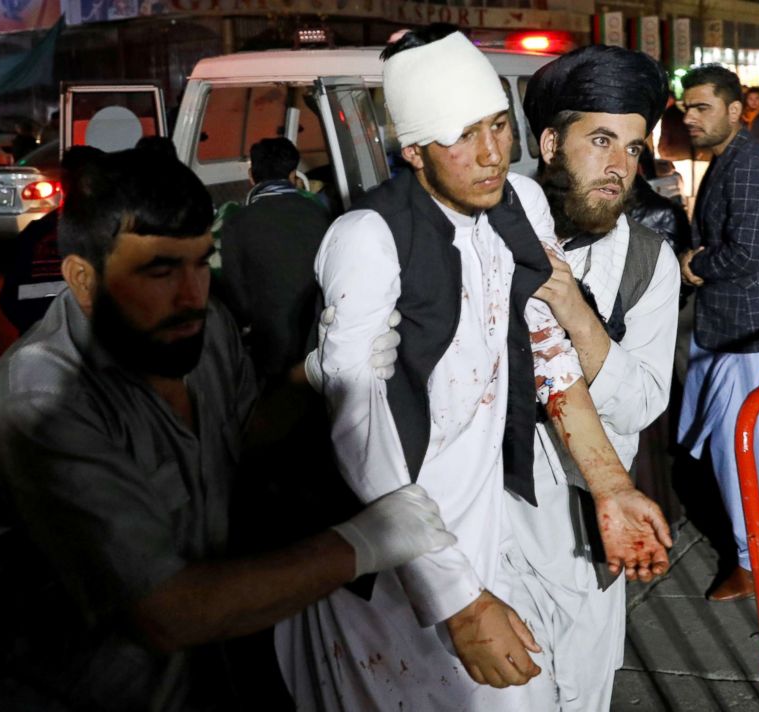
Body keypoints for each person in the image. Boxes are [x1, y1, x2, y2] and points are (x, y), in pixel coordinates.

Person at [276, 27, 671, 711]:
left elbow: (548, 350)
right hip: (395, 574)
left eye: (497, 126)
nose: (492, 155)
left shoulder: (519, 205)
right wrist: (455, 601)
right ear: (415, 150)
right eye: (464, 136)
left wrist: (610, 487)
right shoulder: (369, 238)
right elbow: (360, 429)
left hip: (486, 543)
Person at [0, 146, 455, 712]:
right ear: (84, 280)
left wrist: (316, 374)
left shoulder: (202, 333)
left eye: (200, 262)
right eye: (159, 270)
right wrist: (361, 544)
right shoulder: (38, 400)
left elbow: (244, 433)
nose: (192, 295)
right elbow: (164, 612)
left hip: (211, 671)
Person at [516, 45, 680, 709]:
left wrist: (576, 314)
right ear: (552, 142)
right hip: (488, 532)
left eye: (634, 148)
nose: (618, 167)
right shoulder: (480, 239)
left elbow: (642, 401)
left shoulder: (649, 262)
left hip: (587, 539)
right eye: (601, 140)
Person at [677, 65, 759, 601]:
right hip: (738, 327)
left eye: (702, 106)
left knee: (743, 454)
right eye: (687, 107)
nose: (690, 116)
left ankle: (756, 562)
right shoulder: (729, 158)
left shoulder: (747, 164)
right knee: (749, 451)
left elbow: (749, 252)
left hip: (747, 331)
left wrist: (697, 263)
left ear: (734, 111)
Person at [218, 136, 331, 378]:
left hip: (269, 350)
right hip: (320, 343)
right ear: (293, 175)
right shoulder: (320, 214)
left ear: (251, 175)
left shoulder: (237, 223)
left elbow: (236, 298)